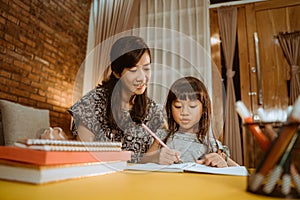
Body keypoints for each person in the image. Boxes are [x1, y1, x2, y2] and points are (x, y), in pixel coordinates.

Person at [68, 36, 179, 163]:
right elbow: (82, 155)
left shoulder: (153, 111)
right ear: (116, 72)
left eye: (147, 69)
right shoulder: (92, 103)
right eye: (133, 70)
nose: (142, 78)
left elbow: (147, 162)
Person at [143, 76, 239, 167]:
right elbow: (142, 163)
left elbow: (240, 172)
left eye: (192, 106)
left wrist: (223, 164)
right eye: (178, 106)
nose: (184, 112)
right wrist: (155, 158)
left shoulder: (212, 145)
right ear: (170, 108)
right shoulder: (161, 137)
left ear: (203, 110)